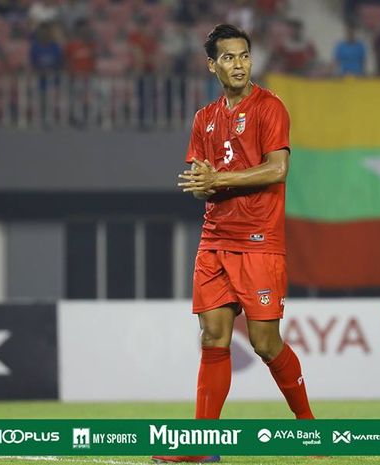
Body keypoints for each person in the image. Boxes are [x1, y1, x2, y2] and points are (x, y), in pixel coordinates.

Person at [151, 23, 314, 465]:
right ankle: (203, 447)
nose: (238, 64)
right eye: (228, 57)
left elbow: (277, 169)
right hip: (214, 239)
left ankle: (309, 429)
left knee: (265, 343)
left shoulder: (270, 107)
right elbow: (201, 179)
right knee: (212, 337)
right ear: (212, 65)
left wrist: (217, 179)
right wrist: (203, 185)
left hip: (259, 241)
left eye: (243, 55)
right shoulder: (204, 118)